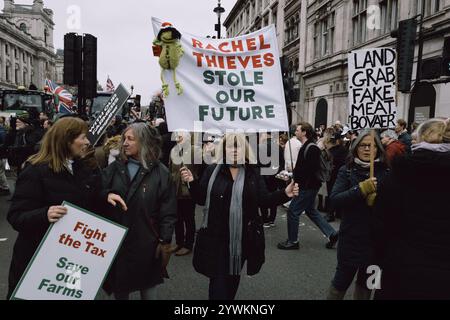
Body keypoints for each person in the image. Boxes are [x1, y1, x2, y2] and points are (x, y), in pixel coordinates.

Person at [180, 133, 299, 300]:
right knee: (218, 287)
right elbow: (201, 199)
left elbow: (263, 200)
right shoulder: (212, 171)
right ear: (224, 149)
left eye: (238, 146)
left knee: (231, 282)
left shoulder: (253, 173)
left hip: (242, 240)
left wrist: (285, 194)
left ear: (244, 150)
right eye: (230, 146)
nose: (234, 150)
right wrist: (191, 182)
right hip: (216, 238)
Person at [6, 117, 101, 299]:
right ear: (66, 140)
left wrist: (105, 195)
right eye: (83, 137)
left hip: (69, 258)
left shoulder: (82, 168)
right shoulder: (34, 171)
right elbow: (16, 216)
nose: (88, 142)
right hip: (37, 257)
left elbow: (90, 196)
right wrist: (44, 214)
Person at [373, 119, 450, 300]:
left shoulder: (399, 174)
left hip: (402, 267)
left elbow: (379, 228)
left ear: (421, 139)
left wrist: (375, 267)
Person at [101, 123, 177, 300]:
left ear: (145, 142)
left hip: (147, 243)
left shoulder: (162, 173)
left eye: (131, 139)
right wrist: (106, 195)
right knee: (119, 289)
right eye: (124, 139)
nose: (125, 143)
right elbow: (97, 192)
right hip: (117, 241)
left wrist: (164, 241)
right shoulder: (114, 168)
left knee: (148, 287)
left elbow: (168, 211)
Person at [327, 130, 388, 300]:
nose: (368, 149)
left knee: (368, 285)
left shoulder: (387, 172)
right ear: (356, 148)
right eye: (363, 145)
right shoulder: (346, 171)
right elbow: (335, 200)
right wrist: (360, 190)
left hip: (377, 242)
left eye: (372, 146)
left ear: (379, 149)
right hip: (351, 238)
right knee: (340, 282)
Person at [278, 122, 339, 250]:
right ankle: (332, 234)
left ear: (304, 132)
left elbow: (310, 170)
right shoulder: (308, 145)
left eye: (298, 130)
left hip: (307, 186)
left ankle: (293, 241)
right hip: (308, 185)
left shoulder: (311, 148)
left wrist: (298, 182)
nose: (296, 132)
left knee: (293, 211)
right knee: (311, 211)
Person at [169, 132, 201, 256]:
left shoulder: (194, 150)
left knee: (188, 218)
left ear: (187, 138)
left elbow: (201, 165)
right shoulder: (174, 150)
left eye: (180, 136)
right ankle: (179, 242)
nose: (177, 139)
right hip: (175, 189)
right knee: (177, 218)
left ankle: (188, 244)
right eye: (177, 136)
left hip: (188, 189)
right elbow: (171, 168)